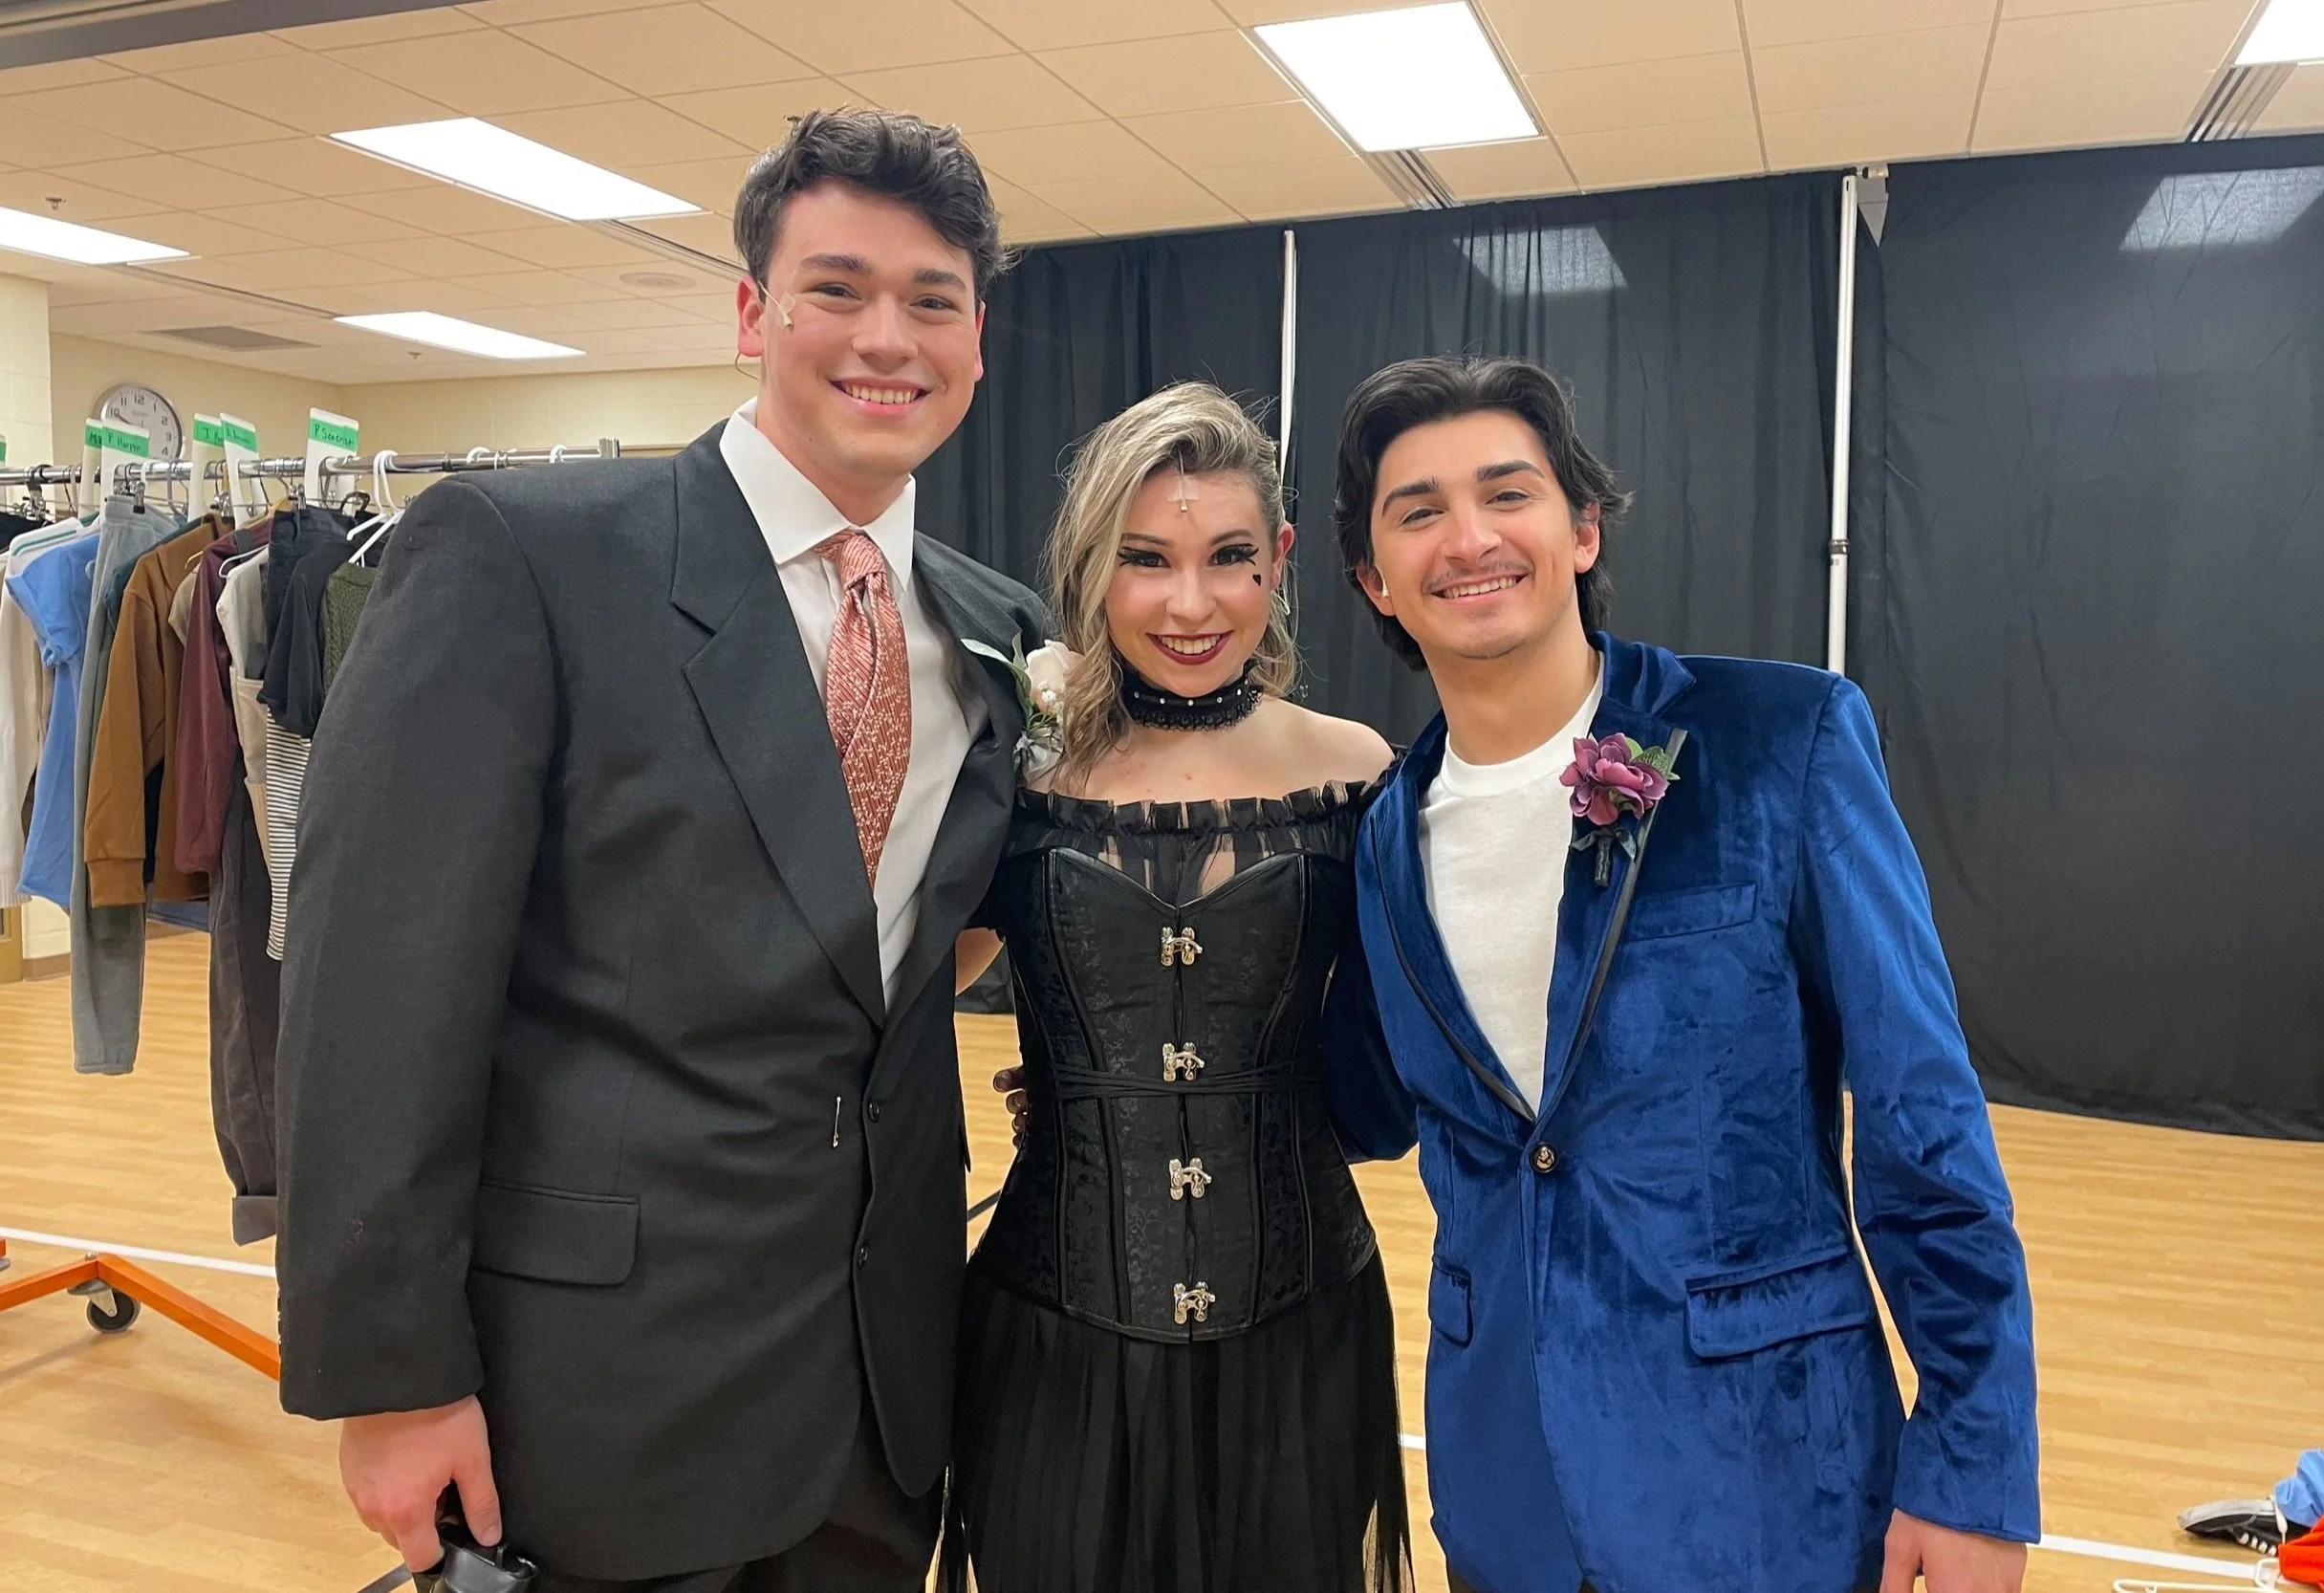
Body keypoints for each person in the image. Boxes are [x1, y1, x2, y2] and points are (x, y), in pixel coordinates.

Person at [275, 110, 1049, 1591]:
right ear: (752, 309)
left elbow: (896, 952)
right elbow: (377, 991)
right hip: (594, 1383)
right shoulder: (520, 552)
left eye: (930, 299)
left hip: (884, 1390)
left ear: (975, 337)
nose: (886, 336)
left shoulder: (994, 629)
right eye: (835, 287)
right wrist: (393, 1376)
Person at [1319, 357, 2039, 1593]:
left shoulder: (1781, 739)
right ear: (1372, 578)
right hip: (1503, 1492)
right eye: (1416, 509)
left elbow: (1920, 1114)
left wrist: (1969, 1463)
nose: (1469, 536)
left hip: (1767, 1477)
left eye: (1507, 492)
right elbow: (1367, 1111)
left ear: (1580, 525)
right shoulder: (1379, 832)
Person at [943, 382, 1411, 1593]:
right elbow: (886, 999)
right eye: (1146, 559)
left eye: (1230, 558)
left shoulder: (1356, 769)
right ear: (1094, 566)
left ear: (1282, 561)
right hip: (1055, 1335)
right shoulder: (1022, 775)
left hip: (1300, 1330)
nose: (1191, 603)